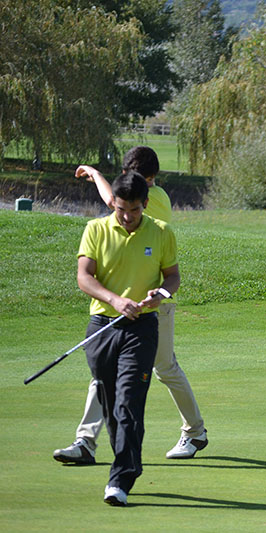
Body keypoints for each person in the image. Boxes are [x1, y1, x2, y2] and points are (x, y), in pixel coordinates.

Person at [54, 146, 207, 465]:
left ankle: (195, 432)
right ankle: (86, 441)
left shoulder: (157, 199)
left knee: (165, 368)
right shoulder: (115, 217)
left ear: (148, 182)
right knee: (104, 373)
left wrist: (95, 174)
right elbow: (114, 204)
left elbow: (112, 202)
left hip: (155, 308)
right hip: (119, 309)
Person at [76, 170, 180, 505]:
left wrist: (160, 294)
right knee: (110, 404)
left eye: (134, 210)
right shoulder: (96, 229)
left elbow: (173, 277)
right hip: (103, 326)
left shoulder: (161, 232)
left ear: (144, 205)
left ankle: (120, 479)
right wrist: (115, 300)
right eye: (121, 209)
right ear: (113, 204)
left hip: (142, 328)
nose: (127, 216)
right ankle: (128, 461)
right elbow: (85, 277)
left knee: (129, 402)